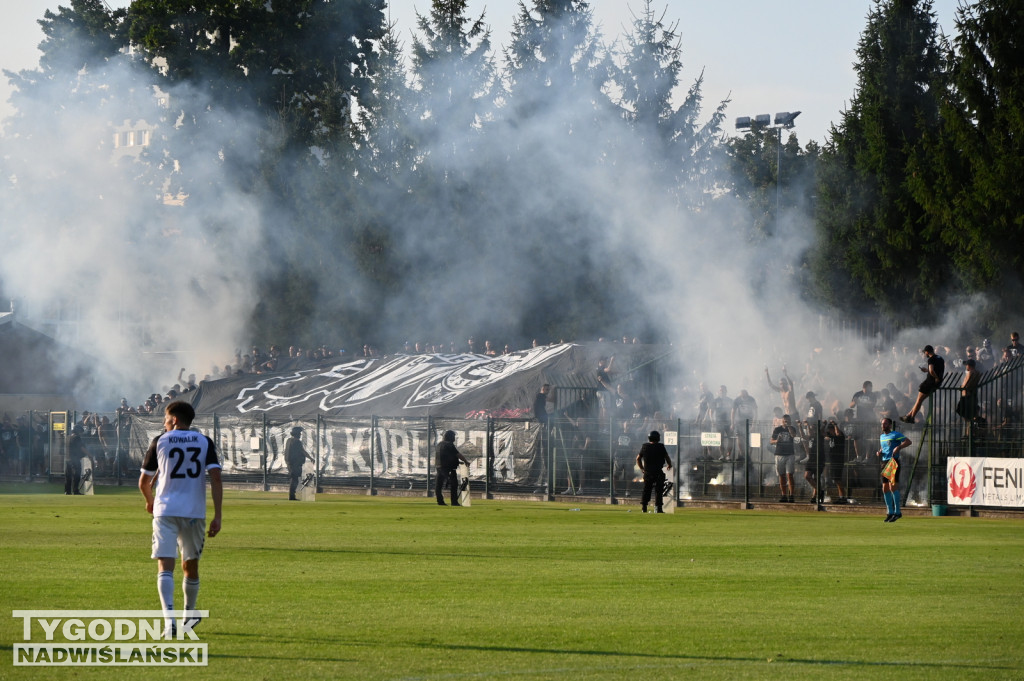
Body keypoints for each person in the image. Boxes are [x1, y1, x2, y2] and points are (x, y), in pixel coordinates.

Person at [138, 401, 223, 638]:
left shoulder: (160, 441)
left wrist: (149, 501)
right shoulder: (204, 441)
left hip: (165, 511)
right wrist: (218, 514)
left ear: (174, 419)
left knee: (165, 565)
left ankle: (169, 622)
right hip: (194, 512)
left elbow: (144, 482)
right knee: (190, 565)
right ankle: (188, 615)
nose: (164, 423)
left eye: (165, 419)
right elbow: (216, 478)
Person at [877, 417, 912, 522]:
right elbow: (884, 448)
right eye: (882, 423)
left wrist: (899, 447)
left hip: (893, 462)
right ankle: (890, 512)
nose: (883, 425)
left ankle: (898, 512)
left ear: (890, 425)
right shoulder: (882, 436)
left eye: (885, 423)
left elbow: (908, 442)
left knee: (893, 487)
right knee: (885, 488)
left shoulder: (895, 434)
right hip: (884, 462)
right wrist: (879, 452)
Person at [901, 345, 945, 423]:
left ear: (927, 352)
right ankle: (908, 416)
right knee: (919, 400)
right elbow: (936, 370)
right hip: (937, 383)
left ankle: (911, 417)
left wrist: (936, 377)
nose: (924, 354)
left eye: (925, 352)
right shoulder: (940, 358)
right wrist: (927, 371)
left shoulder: (931, 359)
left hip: (929, 382)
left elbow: (932, 371)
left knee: (919, 400)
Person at [636, 431, 673, 513]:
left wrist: (642, 468)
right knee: (659, 490)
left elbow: (638, 458)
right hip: (658, 472)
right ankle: (658, 508)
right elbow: (666, 457)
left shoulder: (645, 446)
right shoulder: (660, 446)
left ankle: (644, 507)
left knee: (646, 490)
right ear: (658, 438)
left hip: (648, 472)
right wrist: (669, 464)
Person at [435, 430, 469, 506]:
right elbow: (458, 454)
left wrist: (457, 462)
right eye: (453, 436)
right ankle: (454, 502)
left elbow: (445, 456)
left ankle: (440, 501)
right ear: (450, 437)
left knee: (438, 485)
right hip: (449, 468)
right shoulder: (449, 444)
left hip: (439, 467)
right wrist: (465, 461)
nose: (454, 438)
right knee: (454, 485)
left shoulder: (439, 444)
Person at [770, 414, 797, 503]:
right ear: (782, 420)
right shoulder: (777, 429)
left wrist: (789, 427)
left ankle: (791, 495)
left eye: (788, 420)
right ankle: (784, 495)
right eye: (785, 420)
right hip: (779, 454)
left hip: (789, 454)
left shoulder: (792, 428)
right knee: (781, 475)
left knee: (789, 474)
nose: (786, 421)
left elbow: (793, 436)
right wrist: (777, 440)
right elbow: (771, 441)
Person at [822, 420, 848, 504]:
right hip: (833, 460)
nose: (829, 431)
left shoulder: (840, 436)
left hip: (838, 460)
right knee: (836, 479)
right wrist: (824, 424)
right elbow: (823, 433)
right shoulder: (831, 437)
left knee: (837, 479)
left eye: (831, 429)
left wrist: (835, 424)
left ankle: (842, 497)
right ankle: (841, 497)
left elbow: (838, 433)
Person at [285, 427, 313, 500]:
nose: (300, 434)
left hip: (289, 463)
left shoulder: (288, 441)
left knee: (293, 479)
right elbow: (302, 451)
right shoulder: (297, 442)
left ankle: (292, 496)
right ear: (297, 434)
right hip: (295, 464)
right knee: (294, 480)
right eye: (299, 433)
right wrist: (310, 458)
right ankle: (292, 496)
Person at [956, 359, 980, 434]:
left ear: (969, 366)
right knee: (969, 416)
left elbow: (966, 385)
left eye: (966, 365)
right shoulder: (977, 373)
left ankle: (968, 434)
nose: (966, 366)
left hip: (967, 396)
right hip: (972, 396)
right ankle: (969, 433)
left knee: (965, 415)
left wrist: (962, 386)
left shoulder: (970, 373)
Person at [65, 424, 87, 495]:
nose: (81, 433)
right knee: (76, 475)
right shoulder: (77, 438)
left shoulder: (67, 437)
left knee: (68, 476)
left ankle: (67, 491)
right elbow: (82, 448)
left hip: (67, 459)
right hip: (75, 459)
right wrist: (89, 455)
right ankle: (75, 490)